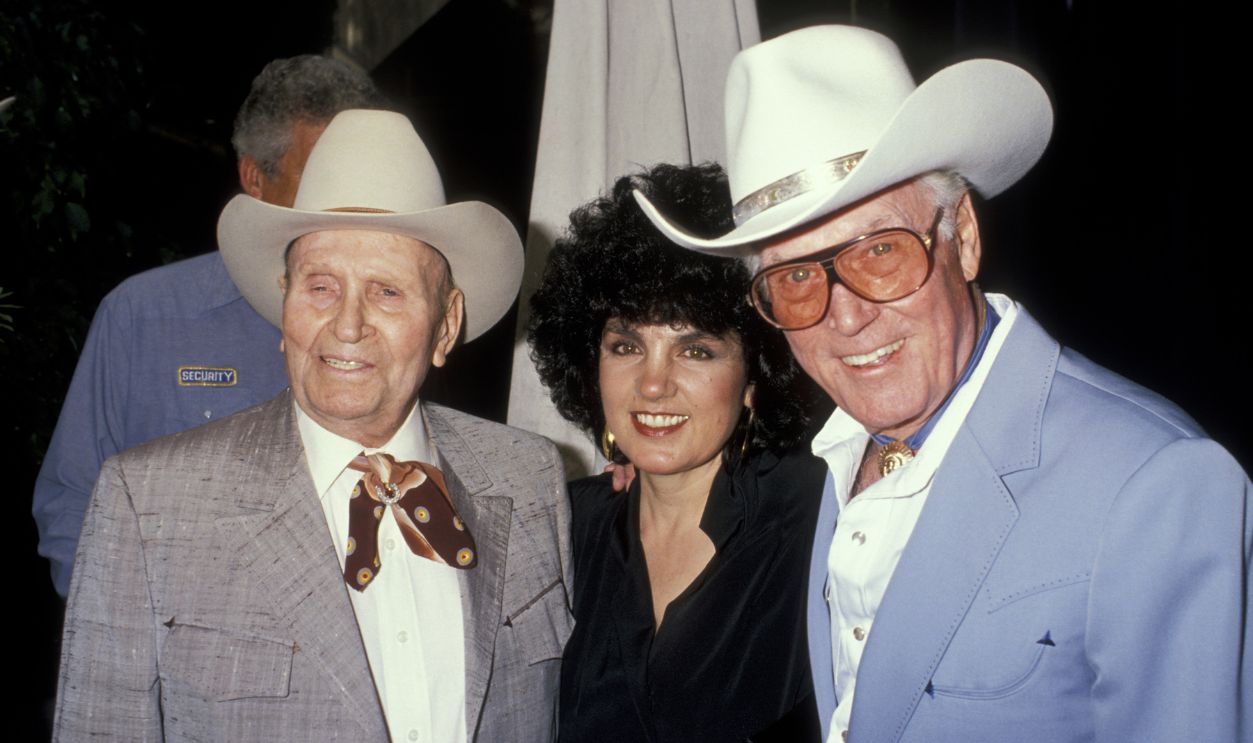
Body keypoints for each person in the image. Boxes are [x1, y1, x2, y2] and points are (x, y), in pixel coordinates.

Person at [635, 26, 1252, 743]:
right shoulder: (831, 458)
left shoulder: (1157, 483)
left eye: (880, 251)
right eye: (797, 275)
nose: (847, 317)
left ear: (963, 234)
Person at [54, 109, 571, 742]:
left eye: (386, 292)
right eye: (321, 287)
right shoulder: (148, 505)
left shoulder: (530, 479)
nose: (347, 325)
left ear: (445, 326)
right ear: (283, 307)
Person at [33, 55, 382, 597]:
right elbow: (72, 505)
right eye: (320, 178)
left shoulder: (395, 322)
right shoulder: (144, 317)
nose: (344, 204)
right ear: (255, 178)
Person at [528, 163, 824, 742]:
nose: (653, 384)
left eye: (696, 351)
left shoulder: (818, 519)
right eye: (626, 346)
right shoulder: (562, 528)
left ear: (754, 376)